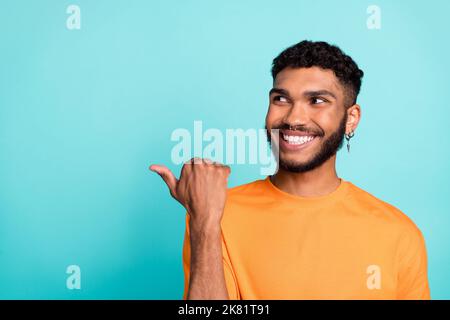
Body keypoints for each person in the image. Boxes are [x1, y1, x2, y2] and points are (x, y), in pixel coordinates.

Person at [150, 40, 430, 300]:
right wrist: (205, 221)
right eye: (281, 99)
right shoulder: (215, 213)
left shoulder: (398, 234)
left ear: (351, 118)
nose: (293, 118)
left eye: (317, 101)